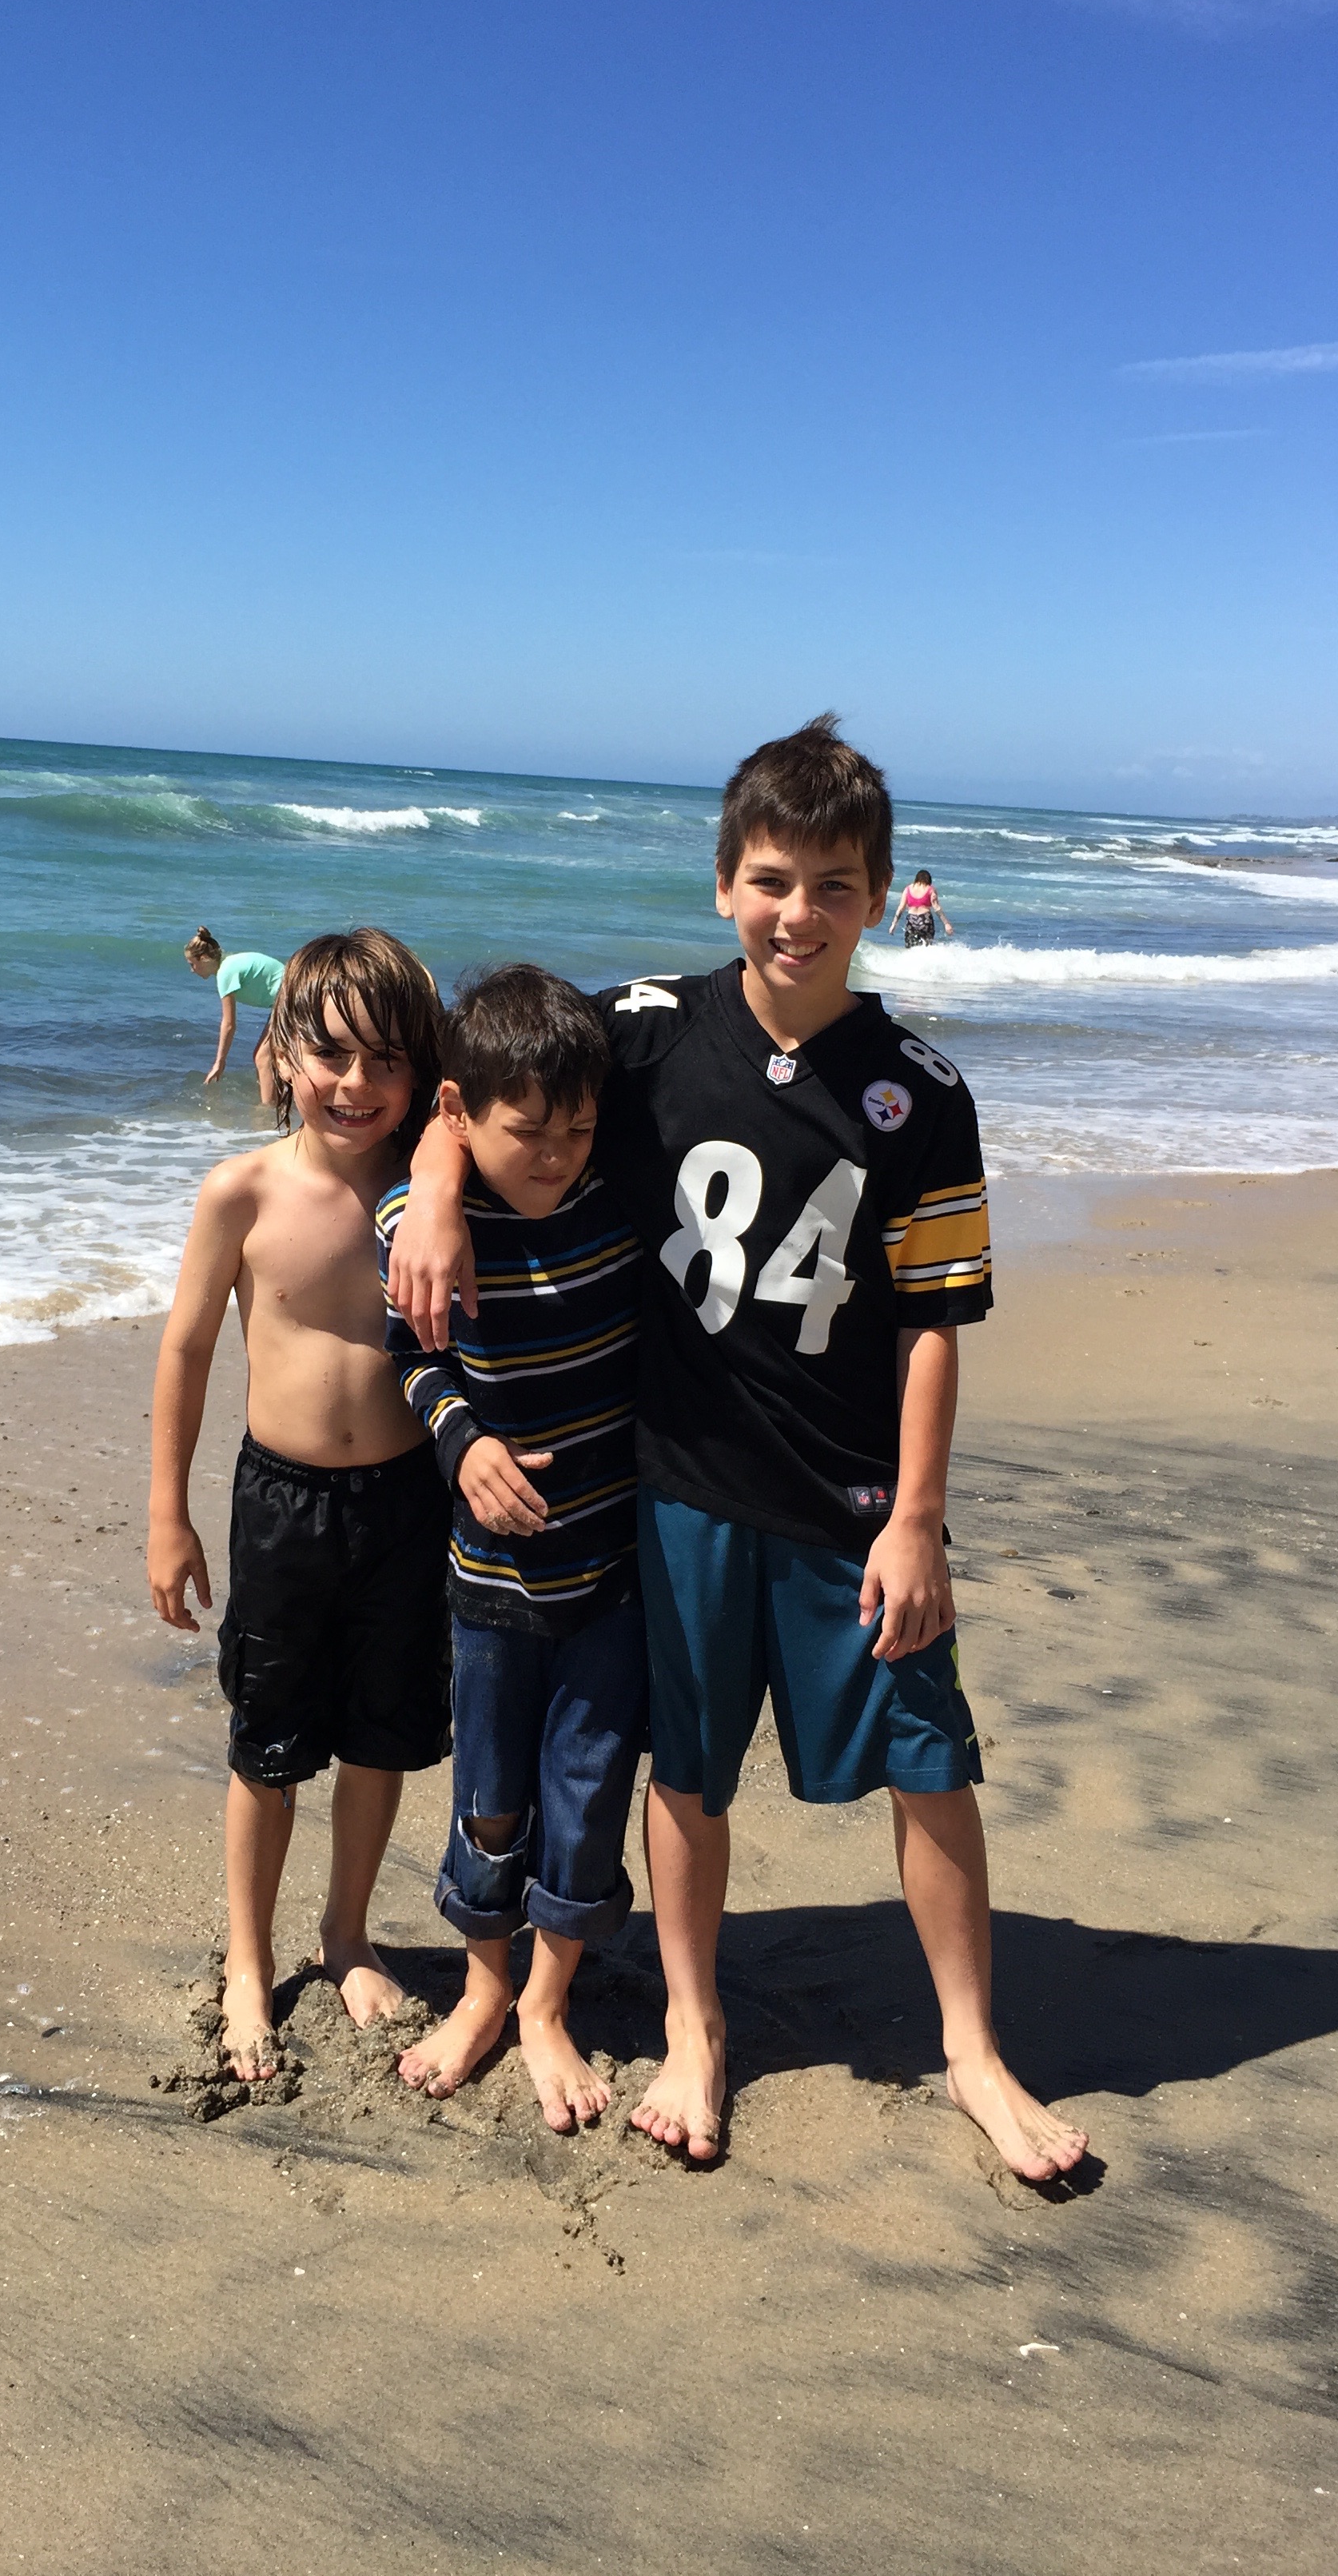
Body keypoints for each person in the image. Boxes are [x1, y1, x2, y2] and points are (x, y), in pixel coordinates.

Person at [389, 717, 1087, 2185]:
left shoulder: (921, 1092)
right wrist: (438, 1188)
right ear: (722, 884)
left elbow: (932, 1322)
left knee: (928, 1756)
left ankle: (972, 2048)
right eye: (770, 879)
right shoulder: (641, 1031)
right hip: (683, 1493)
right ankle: (694, 2024)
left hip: (852, 1501)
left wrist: (916, 1517)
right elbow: (481, 1079)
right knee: (690, 1771)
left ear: (880, 895)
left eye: (833, 885)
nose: (797, 912)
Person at [147, 928, 451, 2081]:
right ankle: (247, 1955)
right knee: (266, 1743)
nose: (356, 1084)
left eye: (386, 1061)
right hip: (281, 1505)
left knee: (381, 1733)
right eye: (331, 1055)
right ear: (281, 1052)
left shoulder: (427, 1192)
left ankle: (347, 1932)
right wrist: (167, 1514)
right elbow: (185, 1351)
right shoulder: (244, 1191)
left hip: (407, 1497)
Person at [377, 967, 646, 2132]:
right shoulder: (419, 1228)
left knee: (586, 1791)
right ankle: (485, 1988)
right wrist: (463, 1442)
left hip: (613, 1576)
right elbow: (413, 1356)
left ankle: (546, 2001)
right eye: (526, 1131)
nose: (554, 1156)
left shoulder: (618, 1200)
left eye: (576, 1131)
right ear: (458, 1111)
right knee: (489, 1796)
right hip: (489, 1584)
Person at [185, 926, 284, 1103]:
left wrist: (220, 1062)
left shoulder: (225, 973)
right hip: (290, 997)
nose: (192, 970)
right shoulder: (229, 962)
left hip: (291, 999)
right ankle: (280, 1102)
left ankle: (266, 1113)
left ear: (204, 959)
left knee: (263, 1057)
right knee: (275, 1057)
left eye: (192, 964)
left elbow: (229, 1024)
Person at [889, 867, 954, 947]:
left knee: (910, 947)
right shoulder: (930, 889)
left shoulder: (908, 889)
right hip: (925, 920)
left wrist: (894, 924)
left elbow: (901, 908)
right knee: (927, 947)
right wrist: (946, 924)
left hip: (911, 921)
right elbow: (937, 908)